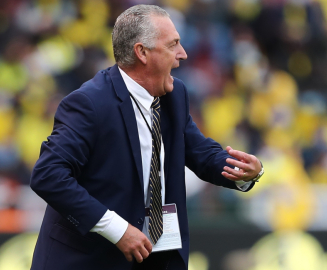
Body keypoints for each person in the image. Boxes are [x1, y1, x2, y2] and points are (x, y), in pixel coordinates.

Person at [30, 5, 263, 270]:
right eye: (173, 44)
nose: (182, 54)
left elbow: (201, 152)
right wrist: (117, 229)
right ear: (142, 52)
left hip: (154, 258)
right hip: (88, 260)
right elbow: (48, 175)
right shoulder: (89, 103)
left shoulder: (175, 95)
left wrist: (242, 170)